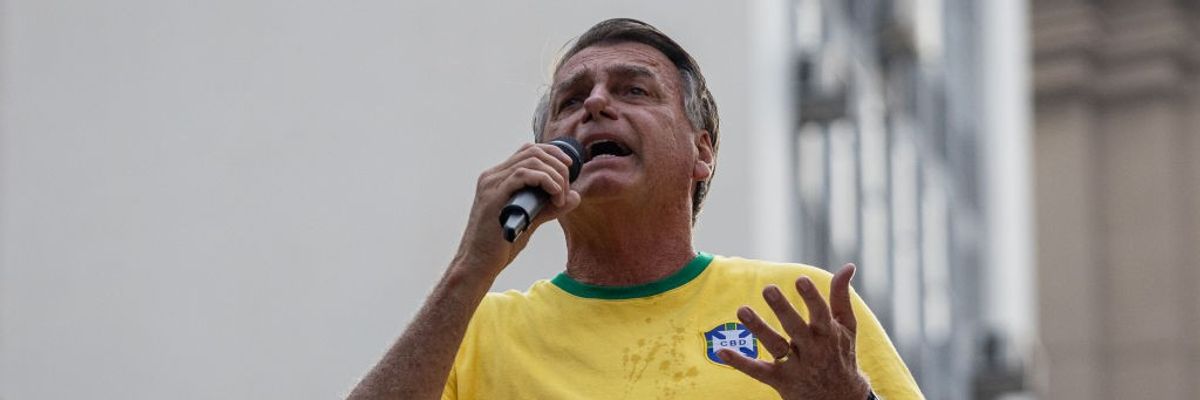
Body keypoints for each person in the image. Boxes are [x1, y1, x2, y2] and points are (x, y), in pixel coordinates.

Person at [348, 18, 922, 400]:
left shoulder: (802, 308)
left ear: (702, 151)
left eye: (633, 90)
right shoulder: (479, 333)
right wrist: (469, 269)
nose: (595, 103)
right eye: (571, 100)